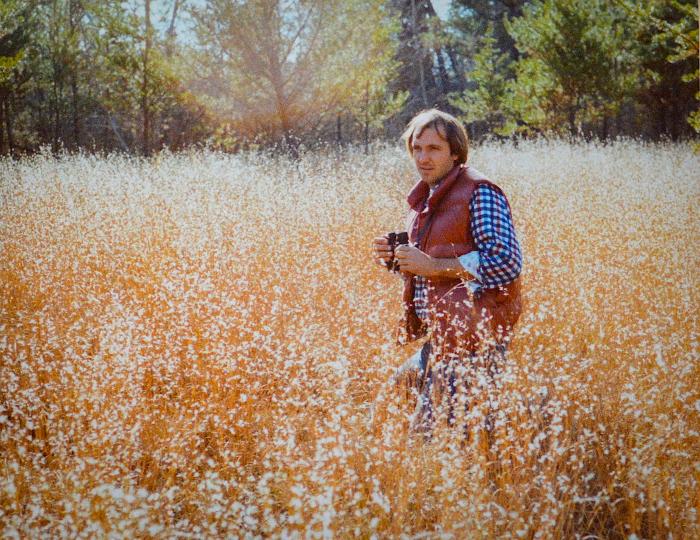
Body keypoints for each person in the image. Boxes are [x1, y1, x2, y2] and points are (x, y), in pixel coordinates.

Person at [372, 109, 523, 438]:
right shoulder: (428, 198)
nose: (423, 158)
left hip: (474, 345)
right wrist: (397, 261)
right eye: (417, 148)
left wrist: (432, 265)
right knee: (388, 406)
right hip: (442, 339)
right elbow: (431, 272)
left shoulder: (479, 192)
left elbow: (506, 262)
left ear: (456, 152)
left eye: (434, 149)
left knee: (429, 440)